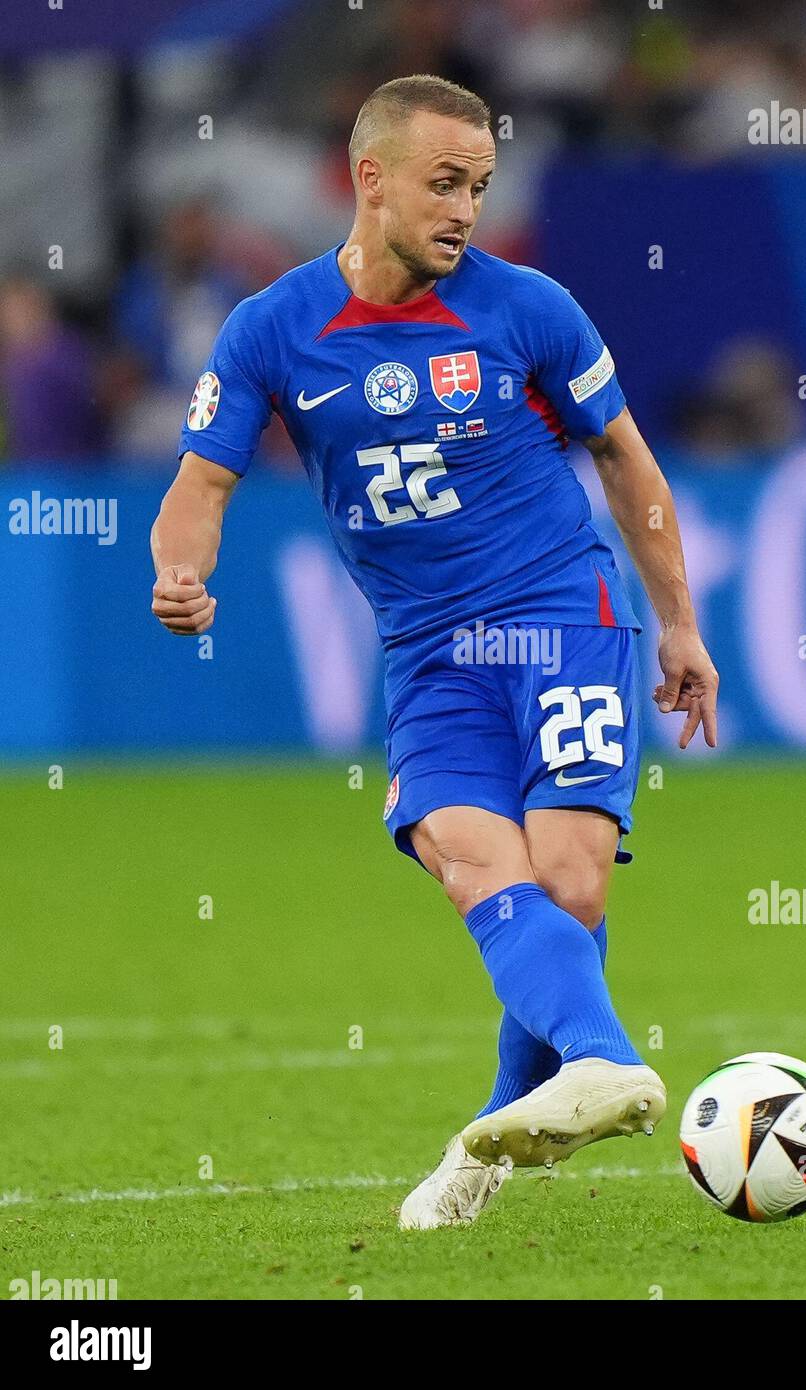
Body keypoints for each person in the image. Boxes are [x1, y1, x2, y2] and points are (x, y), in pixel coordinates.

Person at [150, 75, 718, 1230]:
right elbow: (198, 482)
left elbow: (630, 467)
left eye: (480, 187)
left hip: (565, 615)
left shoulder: (532, 309)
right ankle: (559, 1092)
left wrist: (678, 621)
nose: (466, 209)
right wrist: (179, 570)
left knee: (566, 880)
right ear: (369, 179)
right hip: (427, 655)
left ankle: (538, 1109)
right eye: (444, 183)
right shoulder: (272, 327)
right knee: (467, 859)